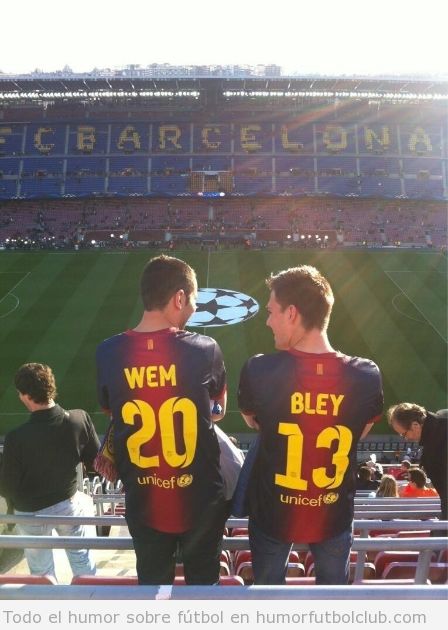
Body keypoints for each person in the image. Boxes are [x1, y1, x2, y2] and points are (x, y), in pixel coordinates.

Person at [238, 264, 383, 585]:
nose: (267, 320)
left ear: (292, 313)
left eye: (272, 311)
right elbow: (360, 432)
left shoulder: (258, 370)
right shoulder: (366, 375)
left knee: (267, 599)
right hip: (332, 513)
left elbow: (257, 424)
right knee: (331, 603)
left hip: (274, 513)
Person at [95, 255, 228, 585]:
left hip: (143, 499)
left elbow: (114, 413)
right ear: (179, 298)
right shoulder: (205, 349)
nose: (194, 309)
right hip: (200, 500)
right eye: (193, 301)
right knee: (204, 593)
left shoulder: (107, 352)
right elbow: (218, 411)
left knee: (152, 591)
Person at [0, 363, 99, 580]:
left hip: (30, 512)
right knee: (84, 565)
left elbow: (7, 486)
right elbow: (96, 462)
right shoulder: (79, 419)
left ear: (25, 396)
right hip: (68, 506)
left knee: (42, 573)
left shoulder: (16, 438)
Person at [387, 403, 447, 521]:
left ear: (415, 425)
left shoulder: (435, 448)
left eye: (404, 434)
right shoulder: (443, 416)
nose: (406, 438)